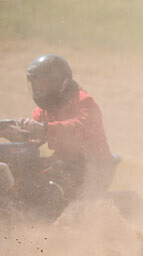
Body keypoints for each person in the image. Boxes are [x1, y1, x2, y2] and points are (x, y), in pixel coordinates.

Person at [19, 54, 113, 199]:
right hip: (65, 162)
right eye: (35, 86)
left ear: (57, 83)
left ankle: (65, 215)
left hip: (94, 164)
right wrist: (23, 134)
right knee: (28, 174)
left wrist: (45, 128)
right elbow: (34, 142)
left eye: (42, 86)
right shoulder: (43, 110)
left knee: (58, 182)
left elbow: (80, 128)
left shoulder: (85, 102)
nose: (38, 91)